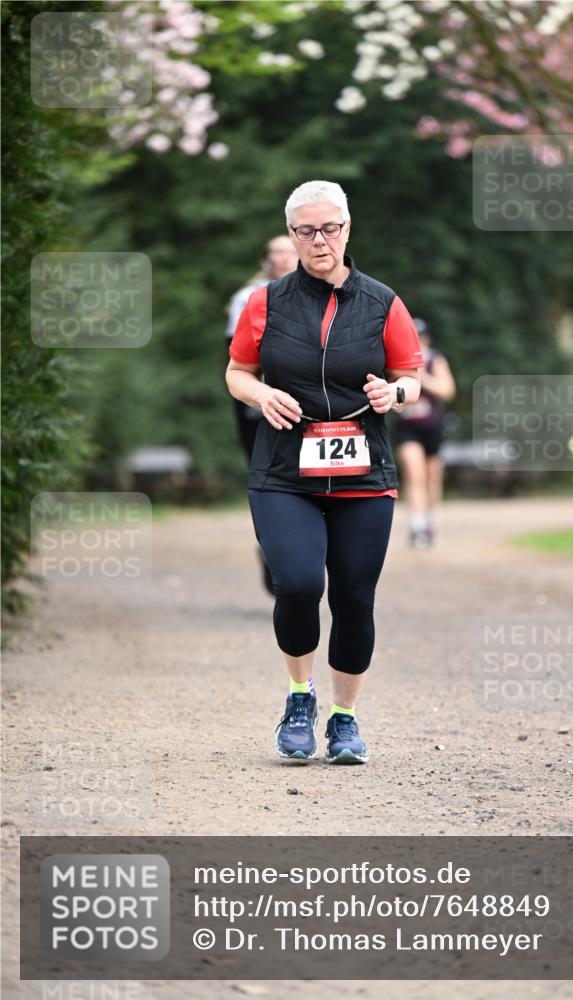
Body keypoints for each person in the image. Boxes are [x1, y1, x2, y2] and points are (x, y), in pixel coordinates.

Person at [226, 180, 423, 763]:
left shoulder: (383, 302)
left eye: (329, 228)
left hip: (364, 475)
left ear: (347, 229)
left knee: (355, 597)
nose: (319, 240)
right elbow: (236, 371)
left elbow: (411, 372)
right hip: (284, 471)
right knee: (299, 583)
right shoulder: (265, 303)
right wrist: (260, 394)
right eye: (306, 230)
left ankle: (344, 720)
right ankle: (298, 697)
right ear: (291, 235)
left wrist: (396, 393)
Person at [225, 236, 298, 594]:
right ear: (267, 260)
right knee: (268, 478)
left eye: (289, 252)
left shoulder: (319, 291)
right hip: (258, 406)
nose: (284, 258)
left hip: (306, 404)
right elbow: (236, 357)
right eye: (278, 253)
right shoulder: (248, 298)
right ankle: (271, 549)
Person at [393, 318, 455, 548]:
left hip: (432, 428)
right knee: (414, 473)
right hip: (408, 428)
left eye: (421, 338)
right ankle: (417, 527)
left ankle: (429, 522)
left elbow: (448, 390)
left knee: (432, 479)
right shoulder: (399, 360)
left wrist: (421, 378)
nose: (418, 342)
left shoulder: (435, 360)